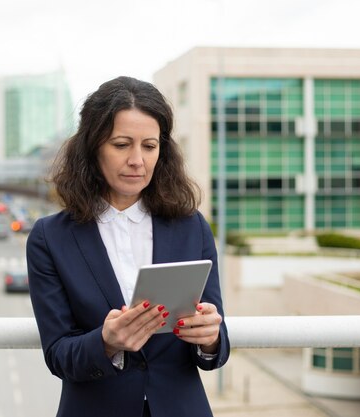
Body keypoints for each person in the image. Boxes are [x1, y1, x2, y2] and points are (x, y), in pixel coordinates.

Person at [26, 76, 229, 417]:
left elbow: (215, 346)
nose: (138, 160)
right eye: (121, 145)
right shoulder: (50, 238)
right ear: (93, 148)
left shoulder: (191, 227)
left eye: (149, 146)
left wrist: (210, 337)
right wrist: (105, 342)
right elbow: (58, 354)